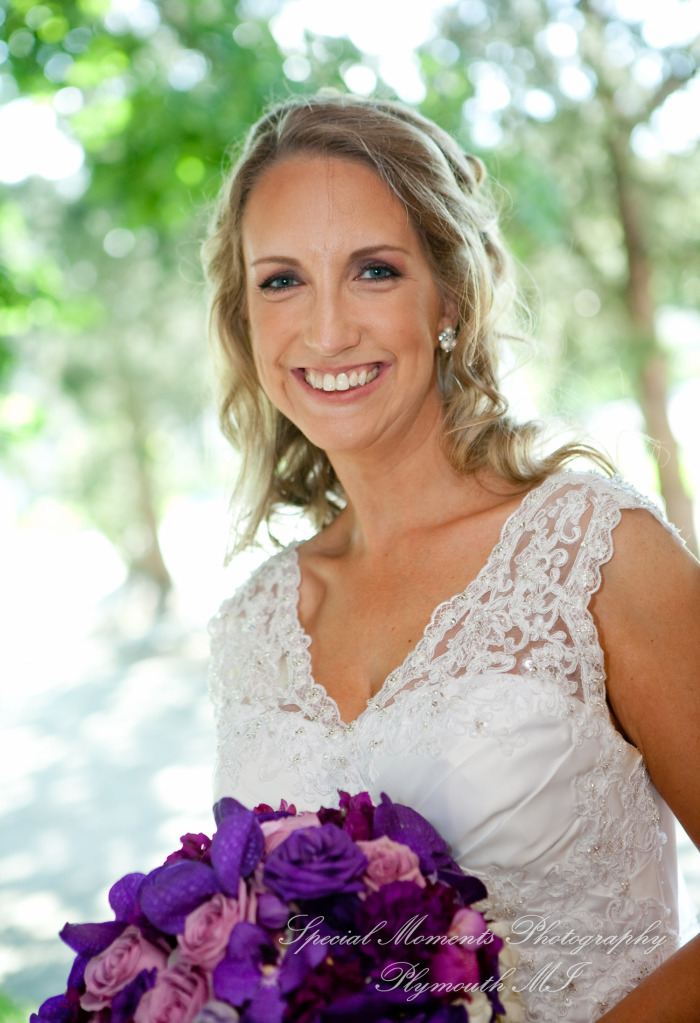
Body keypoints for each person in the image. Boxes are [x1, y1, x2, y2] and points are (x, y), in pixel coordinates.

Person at [203, 93, 700, 1022]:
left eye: (374, 271)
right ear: (246, 318)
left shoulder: (596, 553)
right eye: (281, 280)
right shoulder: (252, 622)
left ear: (451, 297)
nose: (326, 330)